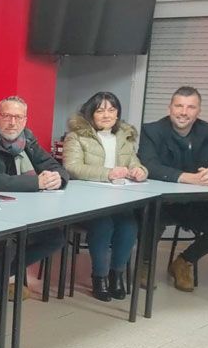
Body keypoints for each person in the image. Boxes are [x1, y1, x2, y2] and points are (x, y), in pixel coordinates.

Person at [0, 96, 68, 301]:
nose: (13, 123)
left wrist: (58, 178)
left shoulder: (26, 138)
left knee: (55, 238)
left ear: (25, 120)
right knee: (10, 242)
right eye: (7, 116)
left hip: (23, 209)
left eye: (18, 118)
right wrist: (35, 183)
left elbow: (54, 166)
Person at [139, 86, 208, 292]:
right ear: (170, 108)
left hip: (193, 203)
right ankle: (145, 265)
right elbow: (149, 165)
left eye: (191, 107)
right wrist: (189, 178)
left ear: (198, 111)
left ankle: (184, 262)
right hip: (161, 202)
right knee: (150, 220)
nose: (184, 112)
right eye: (179, 106)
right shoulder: (152, 131)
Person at [62, 91, 146, 301]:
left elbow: (134, 162)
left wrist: (140, 171)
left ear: (118, 113)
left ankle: (116, 275)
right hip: (86, 202)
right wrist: (107, 173)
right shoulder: (76, 136)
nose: (107, 115)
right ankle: (99, 278)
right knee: (104, 226)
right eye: (100, 110)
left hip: (119, 199)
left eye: (112, 110)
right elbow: (71, 168)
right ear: (91, 113)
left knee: (129, 226)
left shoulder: (124, 136)